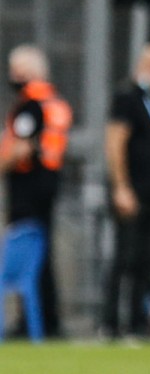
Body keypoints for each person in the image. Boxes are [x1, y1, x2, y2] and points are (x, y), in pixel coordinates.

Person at [102, 42, 150, 339]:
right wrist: (121, 187)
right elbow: (115, 142)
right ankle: (110, 323)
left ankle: (136, 322)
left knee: (148, 259)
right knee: (125, 258)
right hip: (133, 188)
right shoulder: (127, 97)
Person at [1, 44, 72, 339]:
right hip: (48, 185)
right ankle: (46, 318)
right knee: (42, 256)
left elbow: (21, 149)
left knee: (26, 259)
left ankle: (33, 321)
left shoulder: (30, 106)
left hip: (28, 190)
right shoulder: (54, 103)